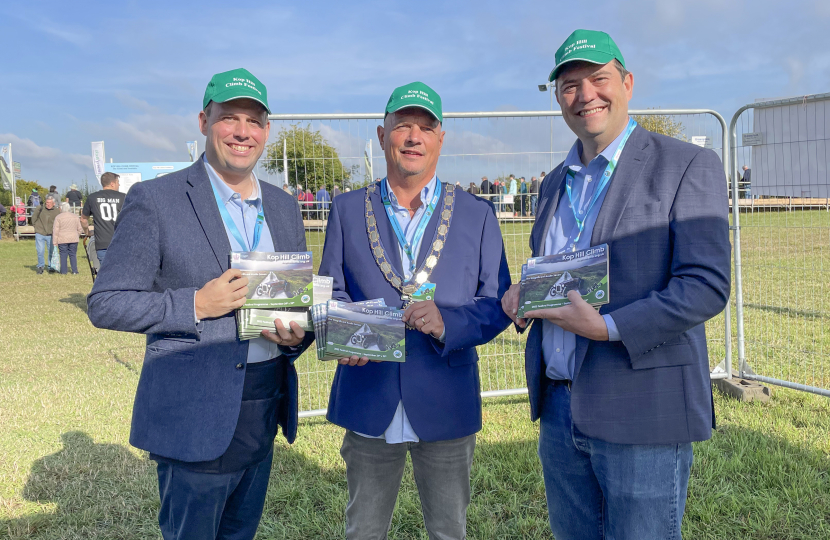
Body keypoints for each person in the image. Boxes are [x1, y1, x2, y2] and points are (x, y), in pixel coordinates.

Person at [501, 29, 731, 540]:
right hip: (561, 409)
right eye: (569, 85)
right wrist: (527, 293)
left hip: (642, 406)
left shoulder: (686, 164)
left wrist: (607, 327)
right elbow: (559, 268)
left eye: (598, 79)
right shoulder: (555, 182)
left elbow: (706, 284)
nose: (585, 95)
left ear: (627, 82)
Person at [87, 68, 313, 540]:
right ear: (203, 122)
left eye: (254, 121)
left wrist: (298, 334)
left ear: (267, 131)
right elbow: (106, 303)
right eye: (229, 117)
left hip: (263, 402)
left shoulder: (284, 205)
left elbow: (295, 301)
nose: (242, 131)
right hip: (193, 412)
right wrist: (195, 304)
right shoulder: (157, 199)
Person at [319, 81, 512, 540]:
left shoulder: (477, 214)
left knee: (449, 530)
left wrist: (451, 323)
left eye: (426, 127)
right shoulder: (347, 209)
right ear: (382, 135)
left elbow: (497, 303)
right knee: (363, 529)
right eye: (403, 126)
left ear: (440, 138)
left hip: (446, 397)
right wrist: (346, 333)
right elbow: (330, 291)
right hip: (368, 395)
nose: (413, 137)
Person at [81, 172, 126, 266]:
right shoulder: (123, 197)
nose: (119, 185)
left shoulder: (92, 197)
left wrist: (87, 232)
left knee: (106, 275)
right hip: (121, 243)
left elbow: (83, 220)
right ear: (112, 184)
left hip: (102, 244)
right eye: (118, 182)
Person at [31, 193, 60, 274]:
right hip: (40, 233)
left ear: (53, 203)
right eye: (47, 203)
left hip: (51, 234)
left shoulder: (57, 211)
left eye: (49, 203)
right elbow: (34, 218)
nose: (48, 204)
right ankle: (40, 266)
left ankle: (51, 267)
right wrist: (36, 227)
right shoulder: (40, 208)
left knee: (51, 251)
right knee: (40, 251)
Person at [52, 202, 83, 274]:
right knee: (73, 254)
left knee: (63, 254)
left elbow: (56, 230)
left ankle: (63, 271)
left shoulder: (58, 217)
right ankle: (74, 270)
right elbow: (80, 229)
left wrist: (55, 241)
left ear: (61, 208)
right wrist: (76, 235)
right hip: (73, 238)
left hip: (62, 239)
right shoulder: (75, 216)